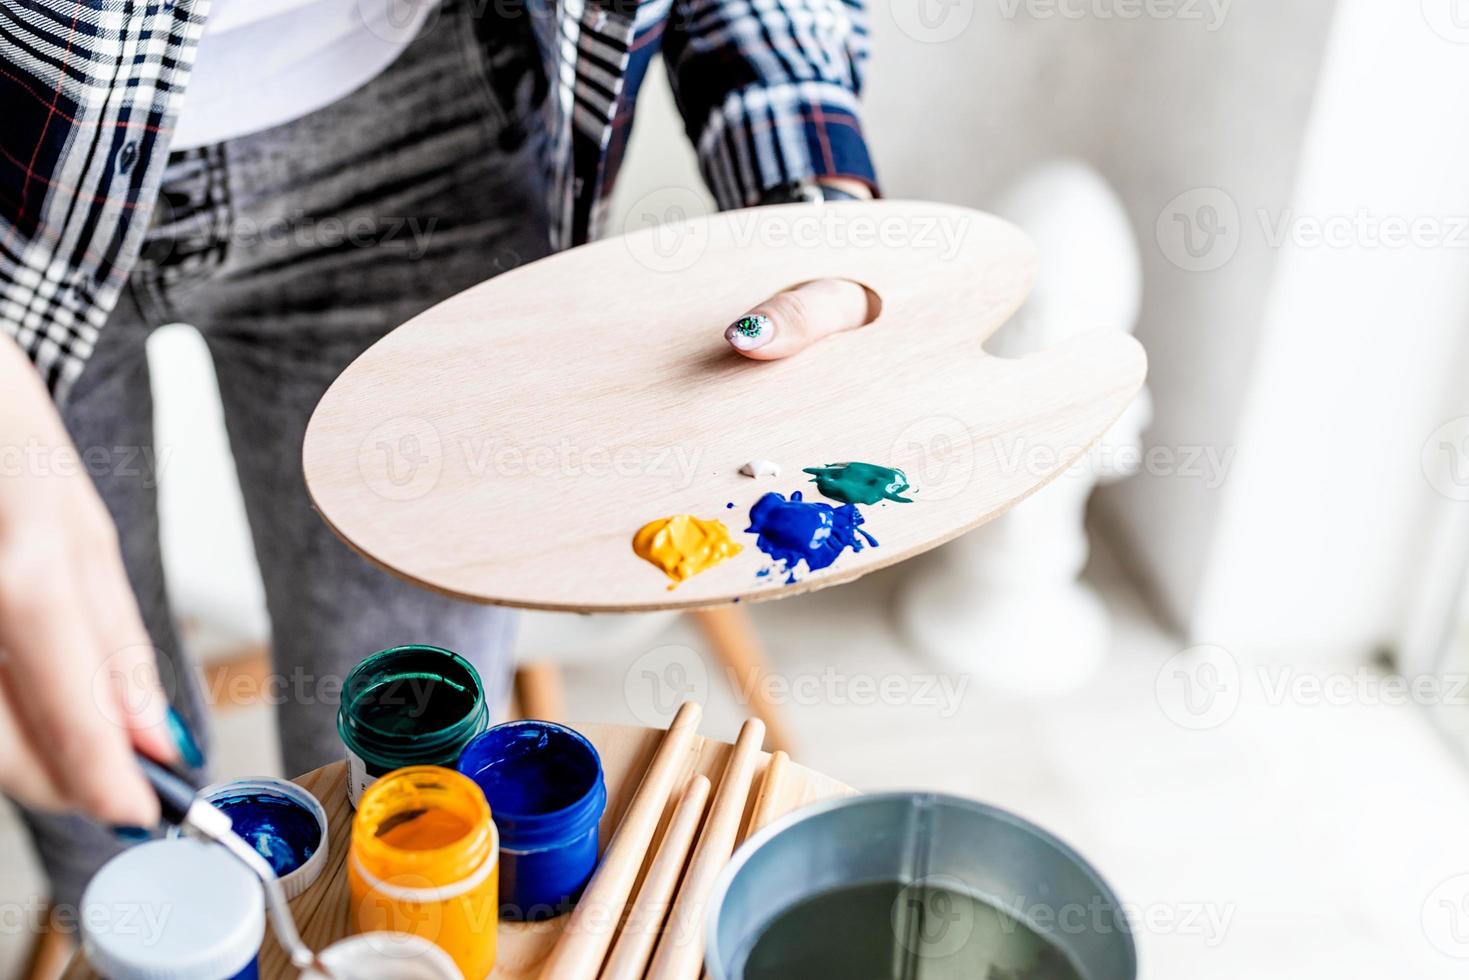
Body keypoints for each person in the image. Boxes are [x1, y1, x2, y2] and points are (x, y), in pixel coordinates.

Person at [0, 0, 880, 915]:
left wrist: (807, 197)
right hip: (16, 169)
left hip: (416, 138)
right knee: (95, 776)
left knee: (415, 771)